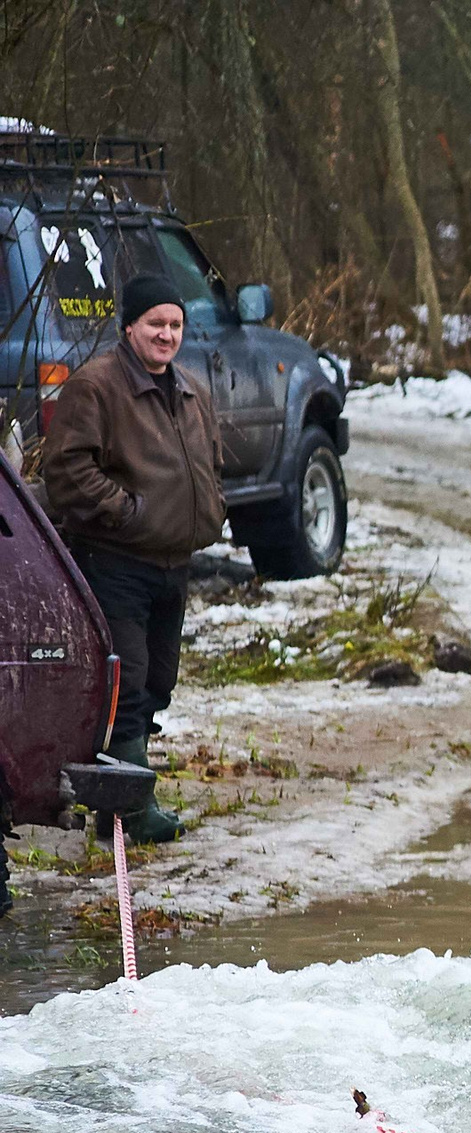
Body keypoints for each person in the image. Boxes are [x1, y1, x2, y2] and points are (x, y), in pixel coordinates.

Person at [40, 273, 226, 843]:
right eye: (155, 325)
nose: (166, 335)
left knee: (160, 680)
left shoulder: (190, 388)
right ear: (130, 327)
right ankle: (126, 812)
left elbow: (211, 463)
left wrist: (210, 509)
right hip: (117, 560)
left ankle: (122, 793)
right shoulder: (96, 387)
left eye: (174, 325)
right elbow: (67, 470)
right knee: (129, 683)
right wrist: (129, 512)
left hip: (174, 562)